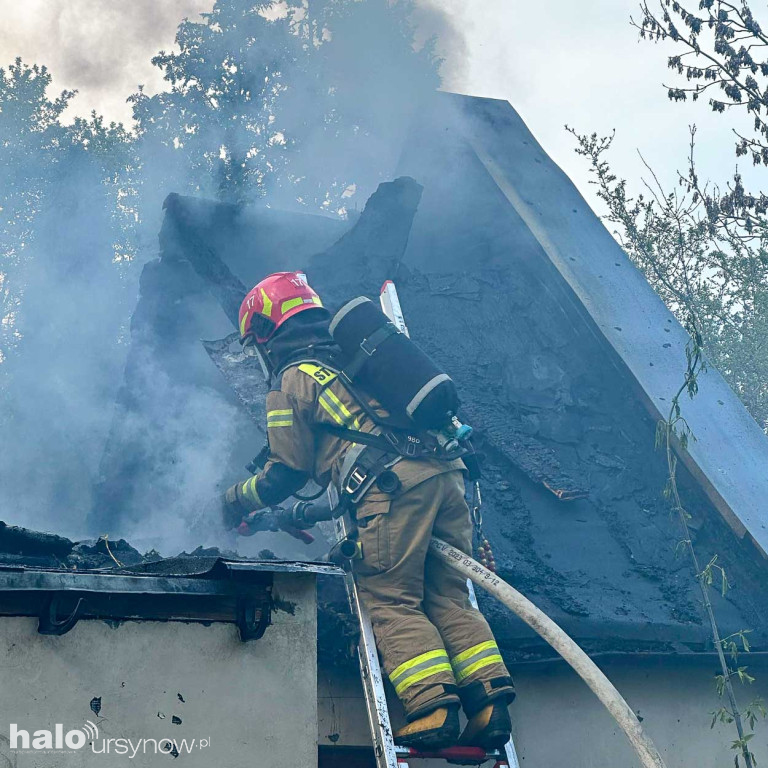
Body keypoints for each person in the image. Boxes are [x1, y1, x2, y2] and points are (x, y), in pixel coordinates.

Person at [222, 271, 515, 749]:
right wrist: (285, 518)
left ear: (267, 332)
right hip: (445, 475)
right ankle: (488, 707)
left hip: (393, 490)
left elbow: (285, 473)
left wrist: (233, 500)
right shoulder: (357, 360)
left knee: (390, 596)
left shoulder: (292, 379)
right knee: (448, 595)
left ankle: (432, 708)